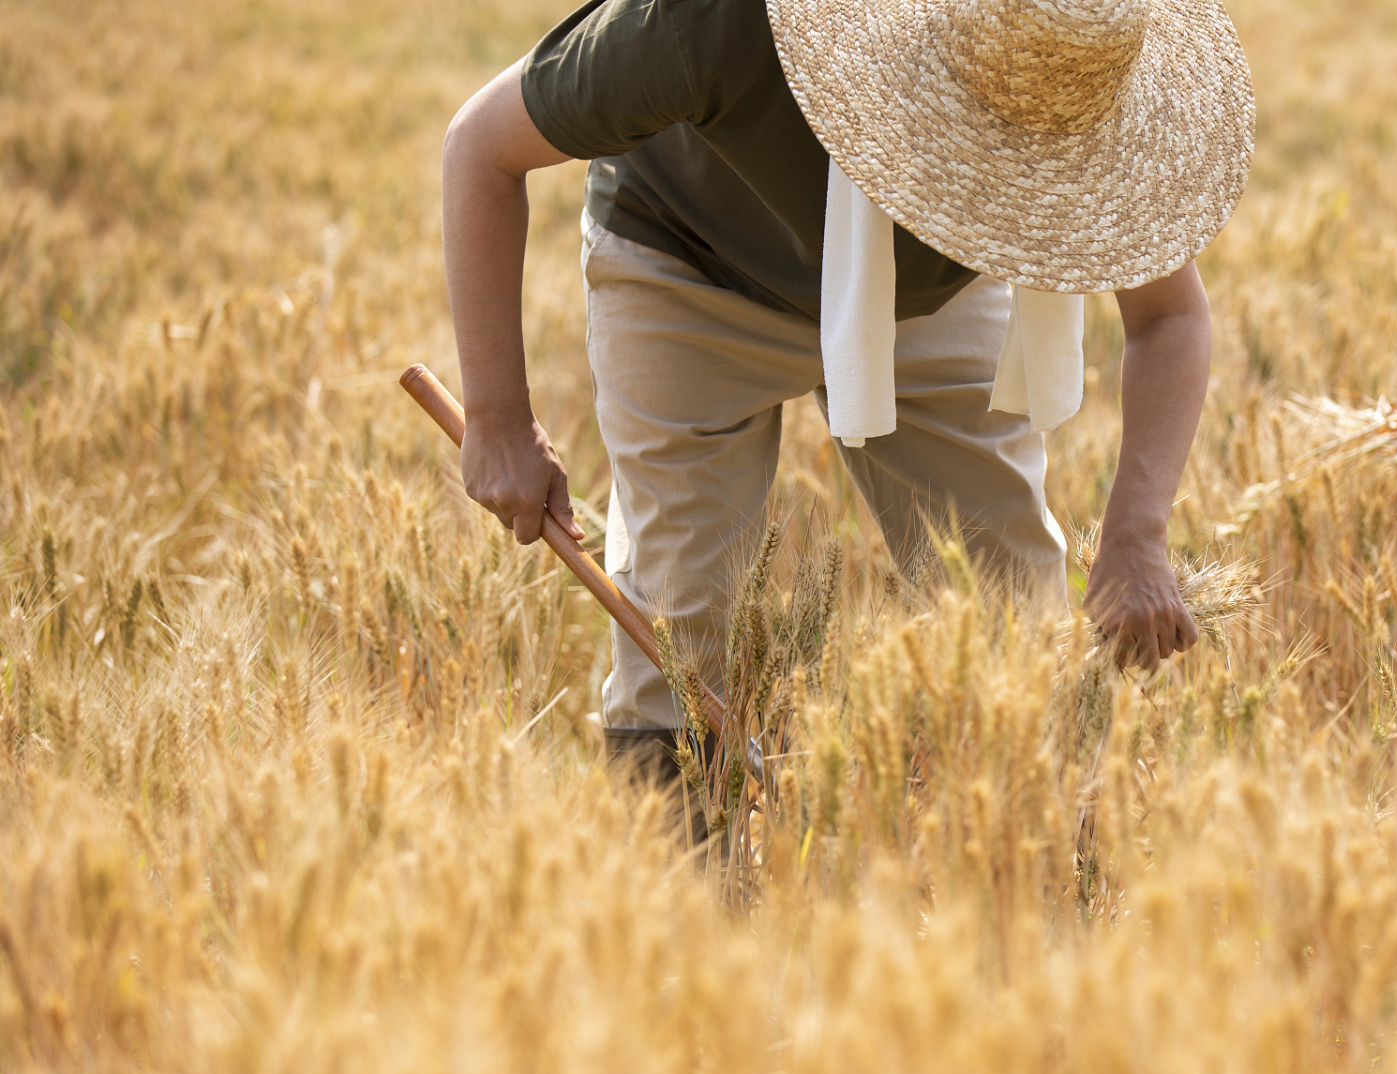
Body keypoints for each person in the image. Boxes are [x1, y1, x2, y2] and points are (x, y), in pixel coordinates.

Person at [440, 0, 1254, 783]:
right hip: (688, 264)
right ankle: (682, 895)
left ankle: (1036, 894)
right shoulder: (715, 21)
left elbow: (1168, 317)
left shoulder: (1073, 76)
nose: (1013, 165)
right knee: (682, 633)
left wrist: (1139, 533)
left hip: (927, 290)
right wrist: (499, 415)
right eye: (991, 147)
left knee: (1016, 628)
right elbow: (480, 145)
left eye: (1028, 161)